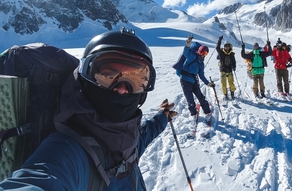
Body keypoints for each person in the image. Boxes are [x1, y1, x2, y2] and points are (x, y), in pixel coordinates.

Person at [0, 28, 178, 190]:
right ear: (84, 79)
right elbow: (39, 180)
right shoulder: (67, 152)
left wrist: (163, 117)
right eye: (108, 76)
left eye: (137, 81)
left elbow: (143, 136)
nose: (123, 89)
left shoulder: (126, 140)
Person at [177, 36, 214, 123]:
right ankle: (193, 114)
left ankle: (207, 112)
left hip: (194, 81)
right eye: (203, 52)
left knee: (201, 97)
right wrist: (188, 44)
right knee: (190, 99)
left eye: (206, 53)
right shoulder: (192, 56)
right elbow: (186, 51)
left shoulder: (201, 64)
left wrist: (208, 83)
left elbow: (201, 75)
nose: (204, 54)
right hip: (185, 80)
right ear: (199, 51)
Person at [215, 35, 237, 100]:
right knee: (223, 83)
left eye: (228, 46)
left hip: (230, 70)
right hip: (223, 70)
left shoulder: (231, 54)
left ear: (229, 46)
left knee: (231, 83)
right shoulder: (221, 52)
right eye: (225, 46)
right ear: (224, 47)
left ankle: (232, 93)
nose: (227, 47)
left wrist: (234, 67)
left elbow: (234, 61)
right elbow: (217, 48)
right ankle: (225, 94)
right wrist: (219, 40)